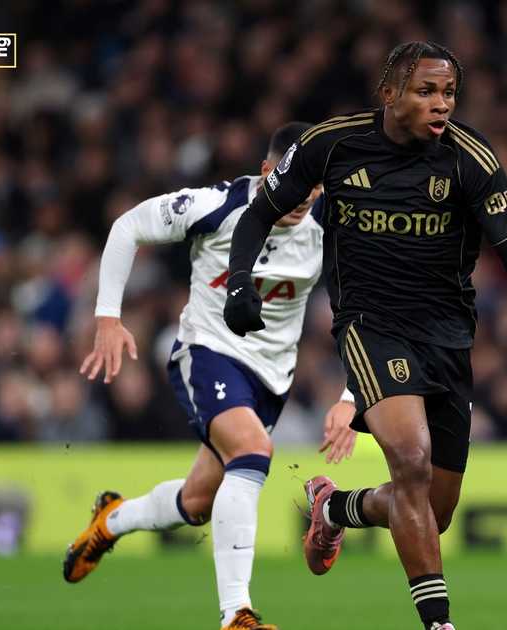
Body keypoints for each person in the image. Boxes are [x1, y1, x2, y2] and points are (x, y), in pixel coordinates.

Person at [223, 42, 507, 630]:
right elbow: (260, 211)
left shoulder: (470, 158)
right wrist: (242, 283)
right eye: (426, 91)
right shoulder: (331, 145)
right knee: (410, 462)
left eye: (448, 93)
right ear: (388, 95)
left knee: (431, 512)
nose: (440, 104)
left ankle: (334, 506)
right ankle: (440, 625)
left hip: (447, 338)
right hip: (371, 327)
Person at [63, 122, 359, 630]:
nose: (300, 197)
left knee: (199, 502)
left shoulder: (332, 226)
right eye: (290, 182)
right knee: (252, 453)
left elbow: (366, 311)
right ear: (268, 172)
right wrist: (108, 318)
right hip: (208, 353)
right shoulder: (217, 205)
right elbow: (128, 227)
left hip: (272, 380)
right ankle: (236, 614)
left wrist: (352, 395)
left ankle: (110, 520)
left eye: (312, 186)